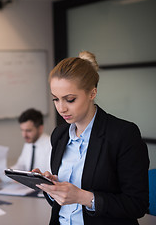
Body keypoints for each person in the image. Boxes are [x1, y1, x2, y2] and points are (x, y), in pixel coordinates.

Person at [33, 51, 149, 225]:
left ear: (92, 93)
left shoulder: (123, 134)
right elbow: (60, 205)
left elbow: (137, 205)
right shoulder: (59, 135)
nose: (61, 108)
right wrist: (52, 188)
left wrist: (84, 197)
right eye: (55, 99)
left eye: (70, 99)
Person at [12, 108, 51, 172]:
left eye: (28, 130)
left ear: (40, 128)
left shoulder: (51, 146)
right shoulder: (28, 143)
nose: (24, 135)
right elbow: (20, 166)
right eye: (22, 130)